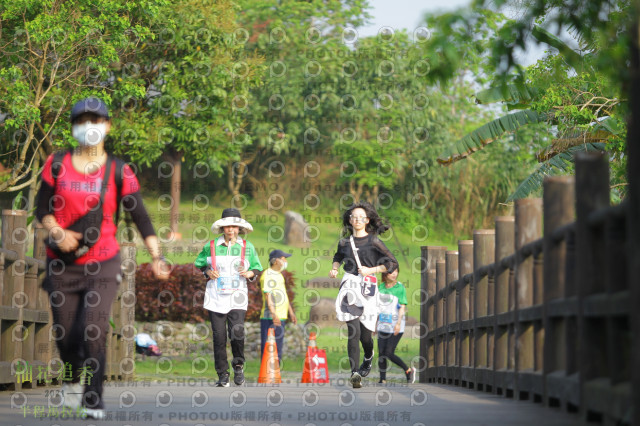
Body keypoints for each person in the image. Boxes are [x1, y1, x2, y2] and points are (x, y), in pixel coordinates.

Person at [35, 97, 168, 420]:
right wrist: (56, 233)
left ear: (108, 125)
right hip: (62, 264)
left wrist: (156, 256)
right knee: (66, 334)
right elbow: (42, 210)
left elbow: (141, 217)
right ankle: (71, 379)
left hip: (103, 263)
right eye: (83, 120)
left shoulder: (119, 170)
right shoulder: (56, 163)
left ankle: (93, 400)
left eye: (96, 120)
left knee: (92, 328)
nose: (90, 126)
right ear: (73, 126)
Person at [330, 201, 399, 388]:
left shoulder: (374, 241)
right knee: (353, 330)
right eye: (354, 217)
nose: (357, 220)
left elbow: (392, 263)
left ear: (367, 220)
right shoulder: (344, 242)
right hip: (349, 285)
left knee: (365, 336)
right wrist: (335, 268)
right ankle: (354, 374)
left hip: (368, 288)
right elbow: (338, 256)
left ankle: (368, 356)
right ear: (350, 221)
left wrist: (372, 270)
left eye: (361, 217)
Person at [194, 208, 262, 387]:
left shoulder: (247, 247)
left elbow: (257, 268)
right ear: (222, 228)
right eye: (227, 226)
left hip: (237, 297)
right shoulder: (211, 246)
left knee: (237, 333)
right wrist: (208, 272)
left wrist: (249, 273)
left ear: (239, 228)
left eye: (234, 226)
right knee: (219, 337)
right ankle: (222, 374)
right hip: (216, 296)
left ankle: (238, 366)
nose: (230, 230)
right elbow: (200, 264)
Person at [377, 266, 416, 383]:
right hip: (382, 324)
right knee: (381, 353)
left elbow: (402, 306)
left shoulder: (400, 287)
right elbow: (377, 308)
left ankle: (408, 370)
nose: (394, 274)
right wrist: (374, 325)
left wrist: (398, 323)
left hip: (395, 325)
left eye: (396, 271)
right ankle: (382, 379)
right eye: (391, 272)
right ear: (385, 274)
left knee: (389, 352)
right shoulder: (380, 287)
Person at [259, 249, 297, 365]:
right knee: (268, 345)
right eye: (283, 258)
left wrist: (291, 312)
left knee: (278, 346)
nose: (285, 261)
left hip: (281, 316)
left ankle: (276, 372)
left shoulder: (279, 275)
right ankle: (266, 372)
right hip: (269, 317)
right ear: (276, 261)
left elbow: (284, 295)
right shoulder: (267, 275)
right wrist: (273, 314)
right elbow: (268, 295)